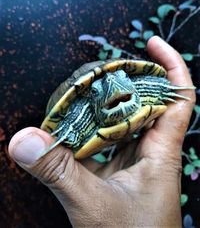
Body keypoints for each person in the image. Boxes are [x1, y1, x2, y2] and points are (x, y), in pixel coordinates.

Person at [8, 36, 196, 227]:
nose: (113, 87)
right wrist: (69, 131)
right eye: (98, 92)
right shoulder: (84, 108)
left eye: (122, 80)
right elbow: (59, 132)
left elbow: (149, 81)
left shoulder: (135, 89)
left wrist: (160, 88)